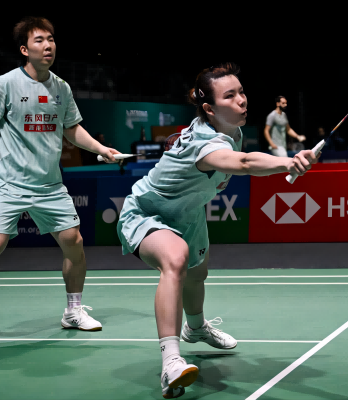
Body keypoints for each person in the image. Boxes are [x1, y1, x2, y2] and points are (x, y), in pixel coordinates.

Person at [116, 63, 318, 398]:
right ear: (209, 108)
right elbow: (244, 163)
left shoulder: (232, 132)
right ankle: (171, 362)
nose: (242, 100)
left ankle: (195, 329)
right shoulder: (204, 142)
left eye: (241, 91)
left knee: (197, 274)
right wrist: (288, 162)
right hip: (148, 212)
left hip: (189, 214)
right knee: (176, 259)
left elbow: (241, 156)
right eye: (230, 95)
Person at [0, 16, 121, 337]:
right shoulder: (5, 84)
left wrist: (100, 148)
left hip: (49, 185)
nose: (48, 45)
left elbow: (71, 128)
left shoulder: (61, 87)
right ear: (24, 49)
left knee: (74, 243)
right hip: (9, 182)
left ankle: (73, 310)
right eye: (39, 40)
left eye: (50, 39)